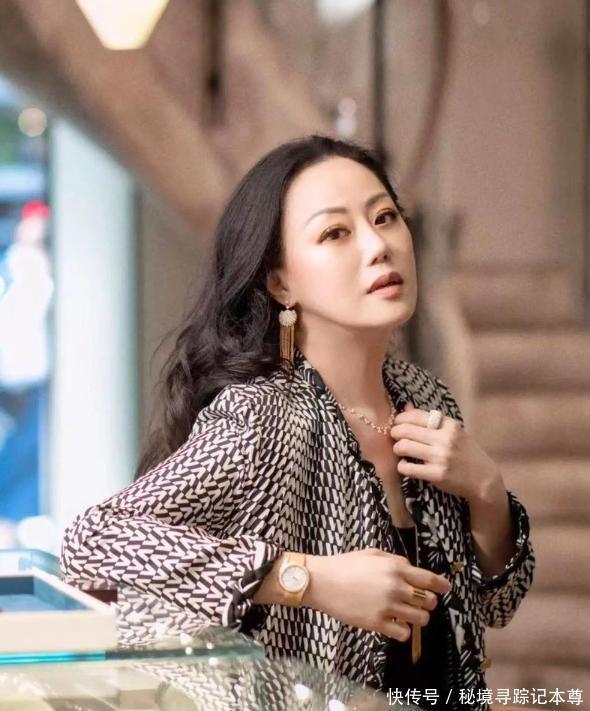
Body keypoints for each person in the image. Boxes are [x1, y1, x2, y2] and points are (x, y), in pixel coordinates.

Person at [60, 134, 535, 710]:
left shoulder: (424, 397)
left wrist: (487, 492)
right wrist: (307, 579)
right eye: (335, 233)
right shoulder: (265, 416)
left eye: (385, 217)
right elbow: (90, 542)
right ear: (280, 281)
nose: (378, 246)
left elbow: (495, 607)